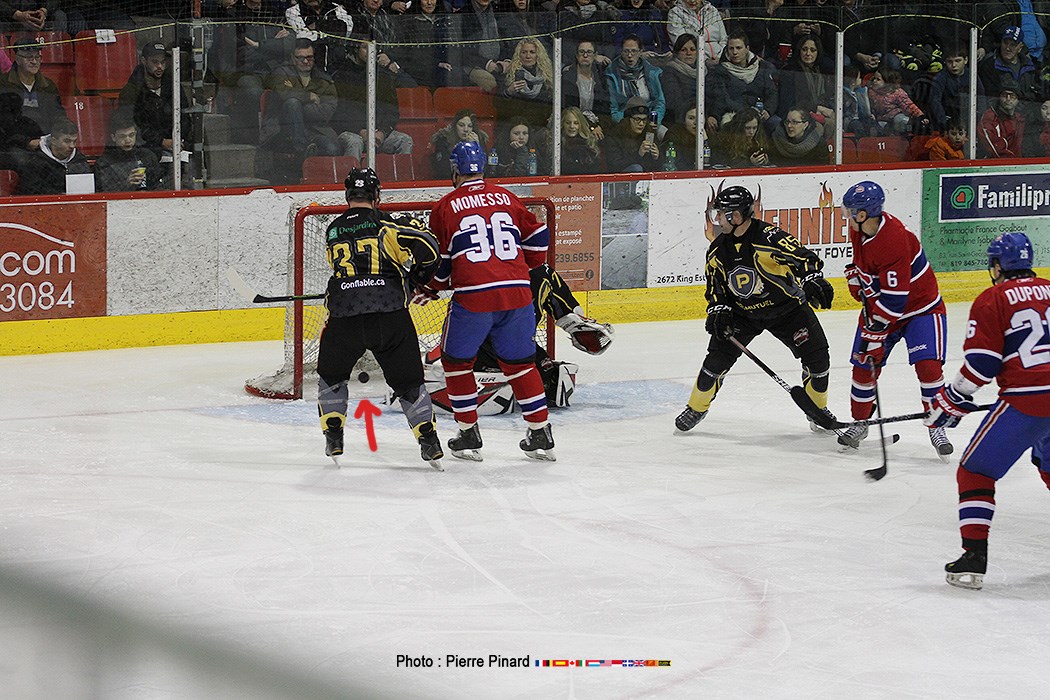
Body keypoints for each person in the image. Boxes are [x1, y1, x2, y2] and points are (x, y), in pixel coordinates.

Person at [925, 232, 1050, 590]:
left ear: (997, 266)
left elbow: (981, 365)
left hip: (1026, 402)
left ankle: (974, 557)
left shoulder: (992, 299)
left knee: (975, 471)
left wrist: (949, 401)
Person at [426, 140, 555, 461]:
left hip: (474, 297)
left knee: (456, 363)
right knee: (520, 364)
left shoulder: (445, 206)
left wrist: (430, 287)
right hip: (518, 294)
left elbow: (442, 261)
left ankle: (468, 433)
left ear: (454, 170)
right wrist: (525, 266)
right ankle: (540, 431)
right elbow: (539, 236)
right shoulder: (507, 197)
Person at [675, 185, 835, 433]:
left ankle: (817, 410)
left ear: (736, 215)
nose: (718, 219)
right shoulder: (717, 249)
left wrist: (812, 277)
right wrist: (718, 309)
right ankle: (696, 408)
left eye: (722, 214)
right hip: (743, 315)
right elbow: (715, 286)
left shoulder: (770, 238)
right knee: (715, 362)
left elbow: (804, 257)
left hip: (788, 311)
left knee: (818, 359)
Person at [315, 167, 444, 469]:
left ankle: (334, 436)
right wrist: (416, 278)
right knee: (410, 383)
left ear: (347, 195)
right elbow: (430, 247)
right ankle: (429, 440)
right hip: (389, 315)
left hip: (345, 315)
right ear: (376, 194)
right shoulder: (388, 222)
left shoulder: (333, 229)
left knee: (331, 376)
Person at [837, 180, 952, 459]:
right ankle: (861, 421)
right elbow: (865, 264)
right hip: (881, 307)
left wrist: (875, 336)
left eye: (850, 211)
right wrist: (856, 275)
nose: (846, 216)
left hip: (921, 309)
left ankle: (937, 426)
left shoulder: (894, 240)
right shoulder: (860, 229)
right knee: (863, 368)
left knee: (928, 367)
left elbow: (895, 301)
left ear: (862, 214)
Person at [262, 38, 339, 157]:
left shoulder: (324, 81)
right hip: (283, 130)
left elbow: (326, 113)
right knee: (292, 103)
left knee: (331, 148)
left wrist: (300, 108)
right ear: (293, 58)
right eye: (300, 58)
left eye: (309, 57)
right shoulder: (281, 73)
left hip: (314, 130)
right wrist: (308, 96)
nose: (305, 61)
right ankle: (301, 149)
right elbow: (283, 94)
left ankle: (305, 154)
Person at [117, 43, 192, 165]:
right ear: (144, 61)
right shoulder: (131, 91)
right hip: (146, 148)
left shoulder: (173, 86)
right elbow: (130, 126)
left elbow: (184, 116)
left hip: (176, 145)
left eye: (163, 62)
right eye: (155, 62)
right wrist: (161, 141)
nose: (160, 66)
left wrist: (179, 139)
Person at [0, 38, 64, 142]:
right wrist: (26, 142)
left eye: (37, 57)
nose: (34, 62)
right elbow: (4, 122)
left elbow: (58, 116)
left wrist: (58, 137)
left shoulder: (48, 86)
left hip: (46, 140)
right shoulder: (4, 84)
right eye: (29, 57)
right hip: (14, 143)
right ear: (18, 59)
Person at [16, 116, 91, 194]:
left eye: (74, 141)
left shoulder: (80, 162)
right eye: (67, 141)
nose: (72, 146)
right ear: (54, 141)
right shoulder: (35, 164)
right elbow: (32, 193)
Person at [93, 112, 165, 191]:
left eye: (131, 135)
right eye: (122, 136)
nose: (128, 140)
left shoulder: (147, 156)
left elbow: (160, 184)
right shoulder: (104, 162)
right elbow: (102, 192)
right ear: (113, 137)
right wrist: (126, 184)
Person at [429, 109, 488, 179]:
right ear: (455, 126)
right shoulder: (444, 140)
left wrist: (475, 147)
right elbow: (443, 170)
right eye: (461, 125)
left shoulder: (479, 140)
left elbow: (485, 169)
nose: (466, 129)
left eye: (470, 126)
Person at [979, 80, 1026, 158]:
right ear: (999, 97)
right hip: (997, 163)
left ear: (1018, 100)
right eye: (1004, 95)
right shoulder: (989, 117)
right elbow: (996, 149)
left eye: (1012, 96)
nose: (1008, 99)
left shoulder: (1020, 118)